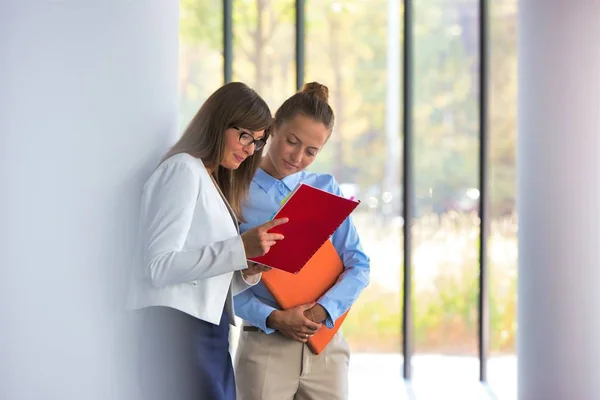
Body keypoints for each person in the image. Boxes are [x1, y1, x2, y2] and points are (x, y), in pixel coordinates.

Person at [126, 82, 288, 400]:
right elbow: (158, 266)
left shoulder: (209, 178)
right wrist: (239, 248)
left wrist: (248, 267)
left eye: (257, 142)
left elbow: (203, 277)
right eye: (245, 136)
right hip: (179, 332)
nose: (249, 149)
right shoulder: (182, 170)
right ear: (218, 122)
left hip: (207, 329)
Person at [233, 82, 370, 400]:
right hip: (265, 346)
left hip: (325, 346)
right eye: (291, 142)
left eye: (311, 151)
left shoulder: (325, 188)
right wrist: (274, 318)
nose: (297, 156)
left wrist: (321, 312)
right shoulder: (236, 188)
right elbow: (219, 276)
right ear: (272, 129)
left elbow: (358, 264)